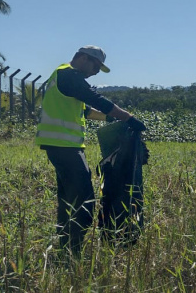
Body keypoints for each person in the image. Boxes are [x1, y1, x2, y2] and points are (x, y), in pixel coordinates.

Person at [35, 45, 147, 257]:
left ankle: (66, 245)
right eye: (96, 67)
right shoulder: (69, 75)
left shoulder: (63, 78)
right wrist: (128, 118)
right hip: (64, 147)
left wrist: (109, 117)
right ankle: (73, 250)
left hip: (62, 146)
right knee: (83, 199)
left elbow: (85, 110)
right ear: (84, 58)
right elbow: (95, 99)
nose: (95, 72)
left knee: (68, 198)